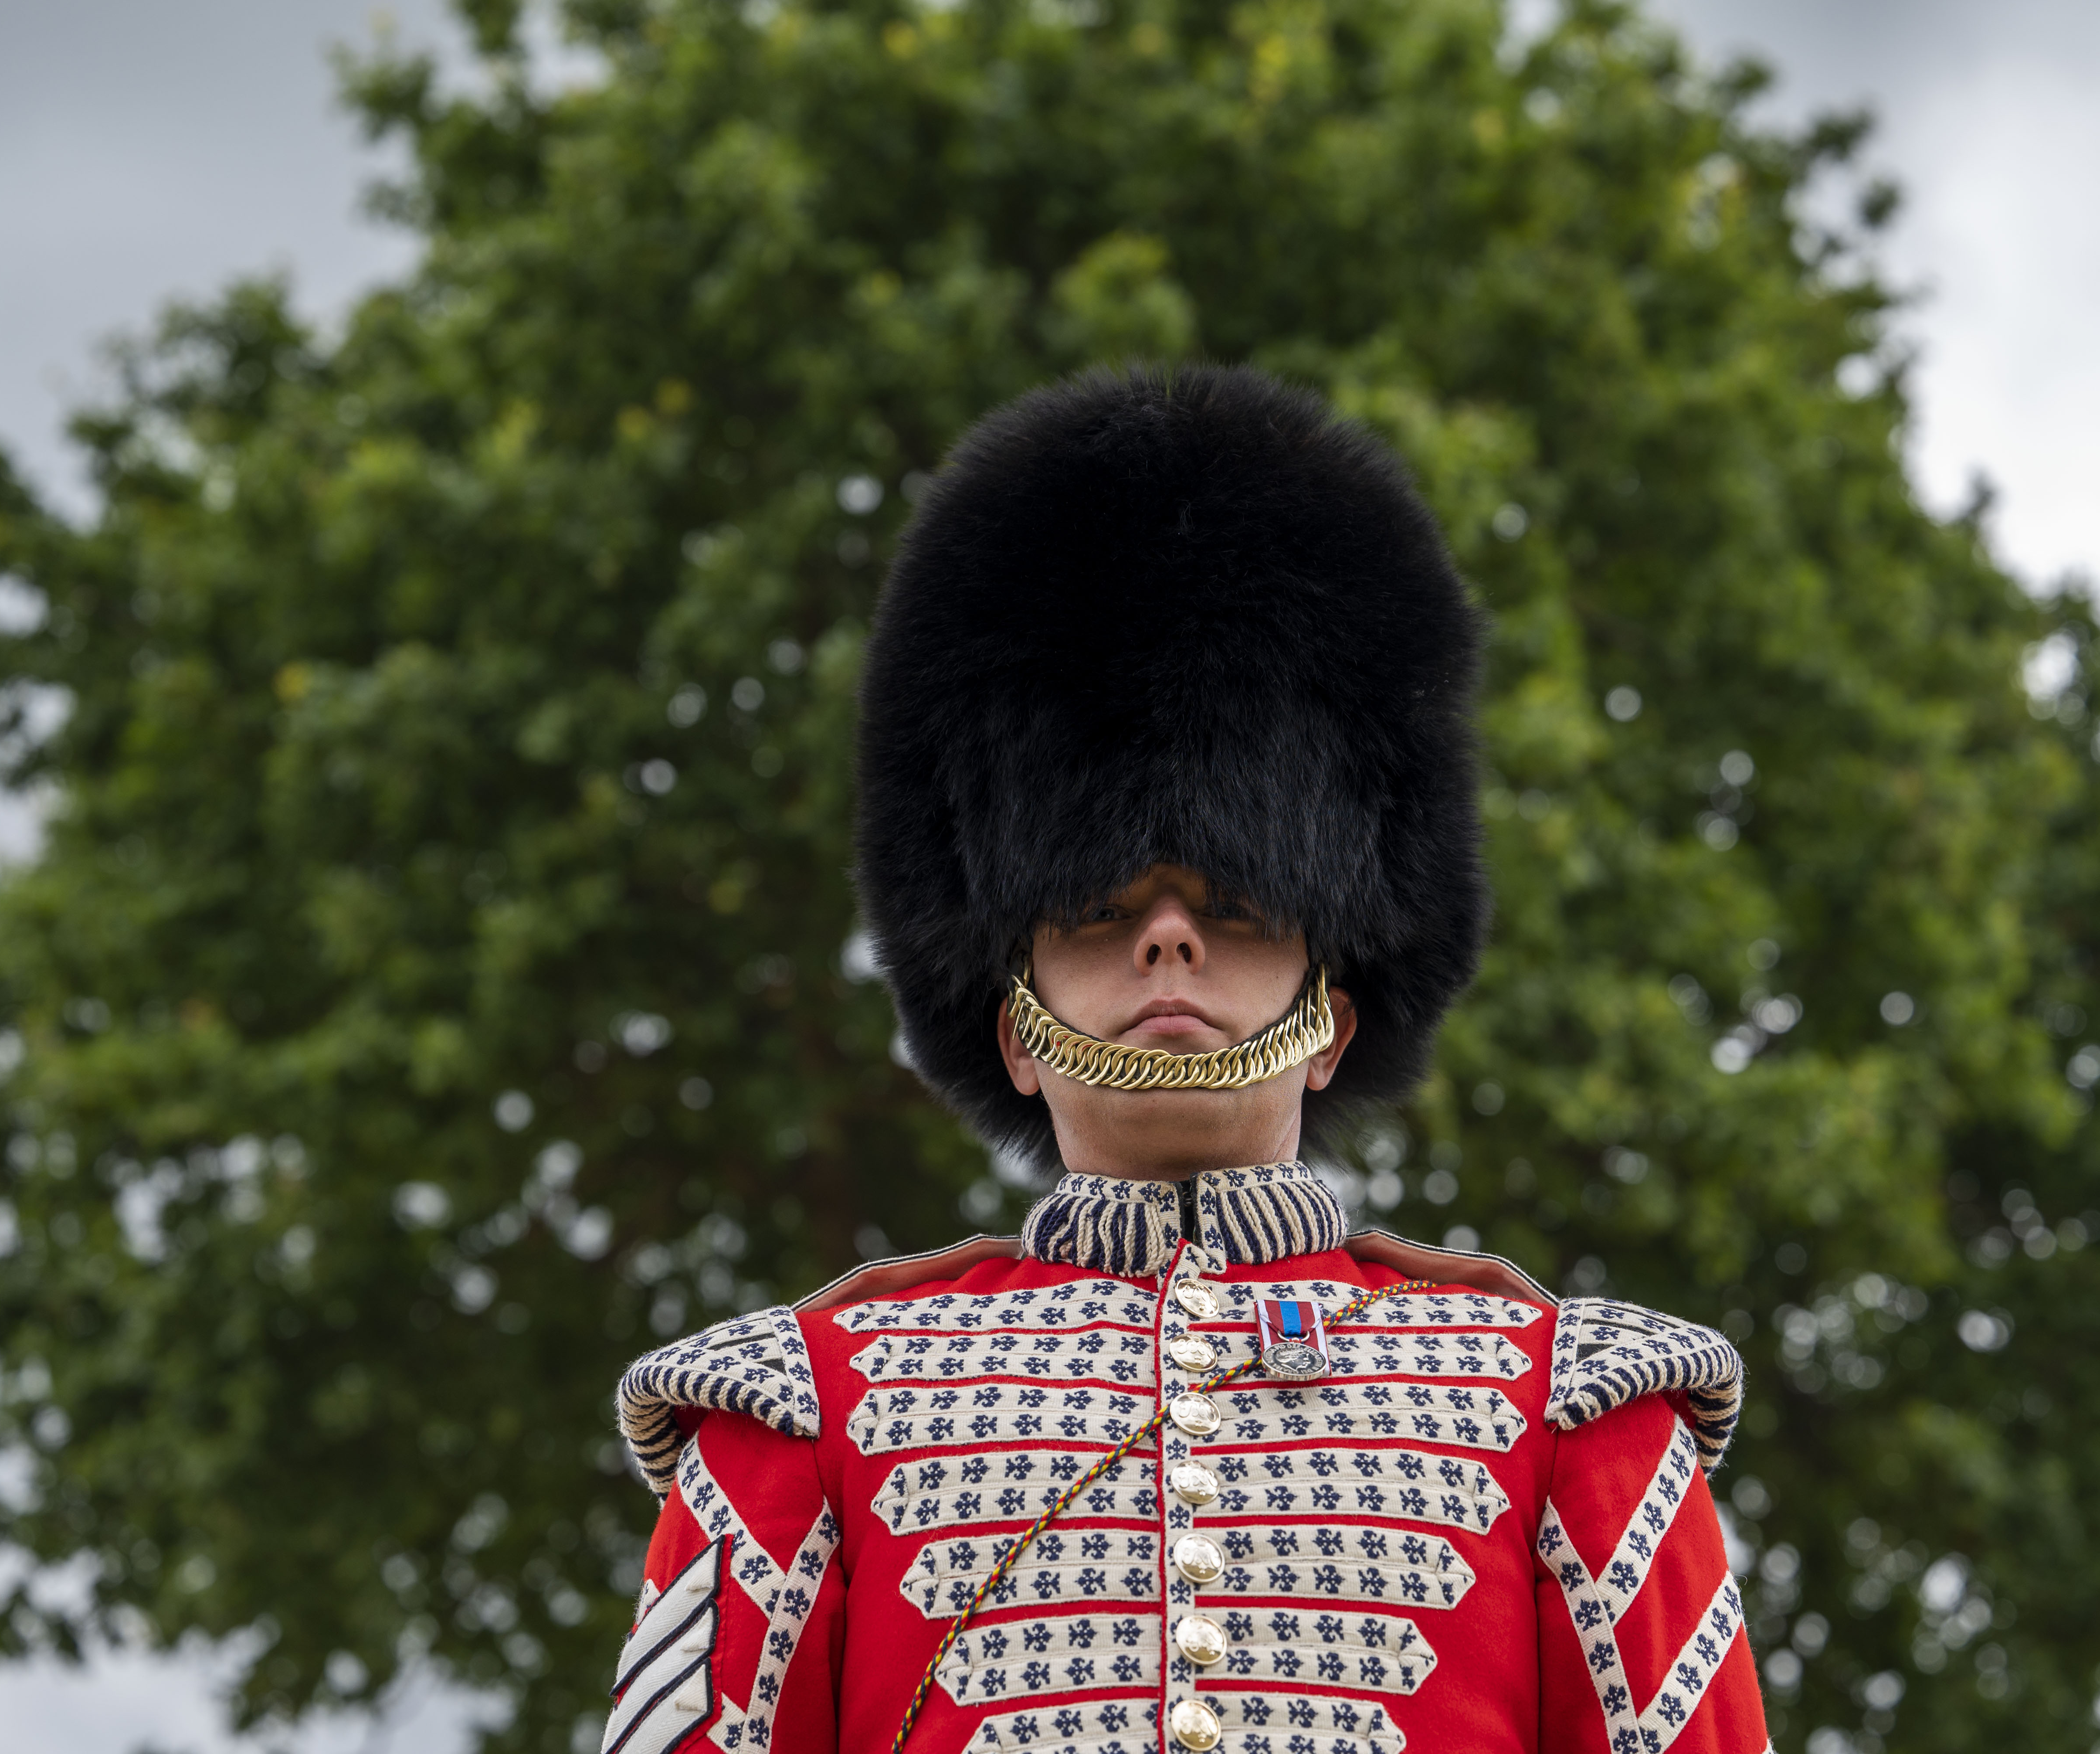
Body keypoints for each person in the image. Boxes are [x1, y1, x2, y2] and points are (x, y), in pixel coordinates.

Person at [603, 366, 1767, 1754]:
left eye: (1238, 908)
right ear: (1011, 1029)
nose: (1168, 944)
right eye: (1100, 910)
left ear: (1330, 1017)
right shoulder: (800, 1412)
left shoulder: (1571, 1409)